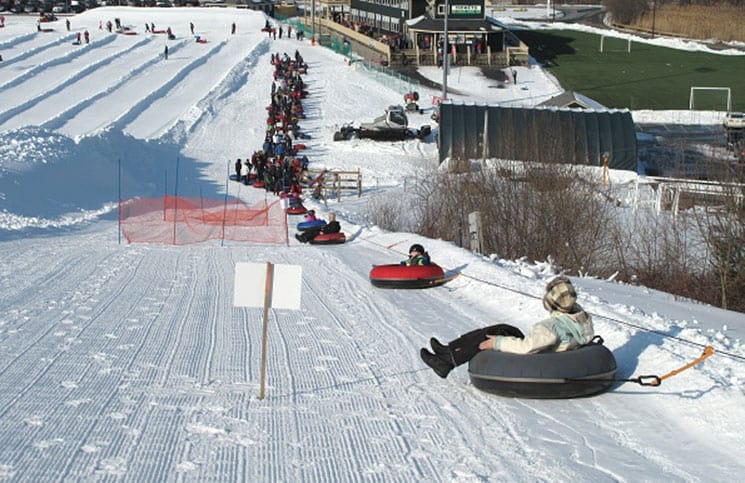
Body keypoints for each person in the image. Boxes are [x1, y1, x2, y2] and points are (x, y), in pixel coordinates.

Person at [420, 276, 594, 379]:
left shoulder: (550, 327)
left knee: (490, 337)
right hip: (550, 347)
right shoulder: (581, 319)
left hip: (538, 358)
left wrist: (496, 344)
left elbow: (527, 347)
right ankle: (447, 351)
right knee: (503, 328)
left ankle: (448, 361)